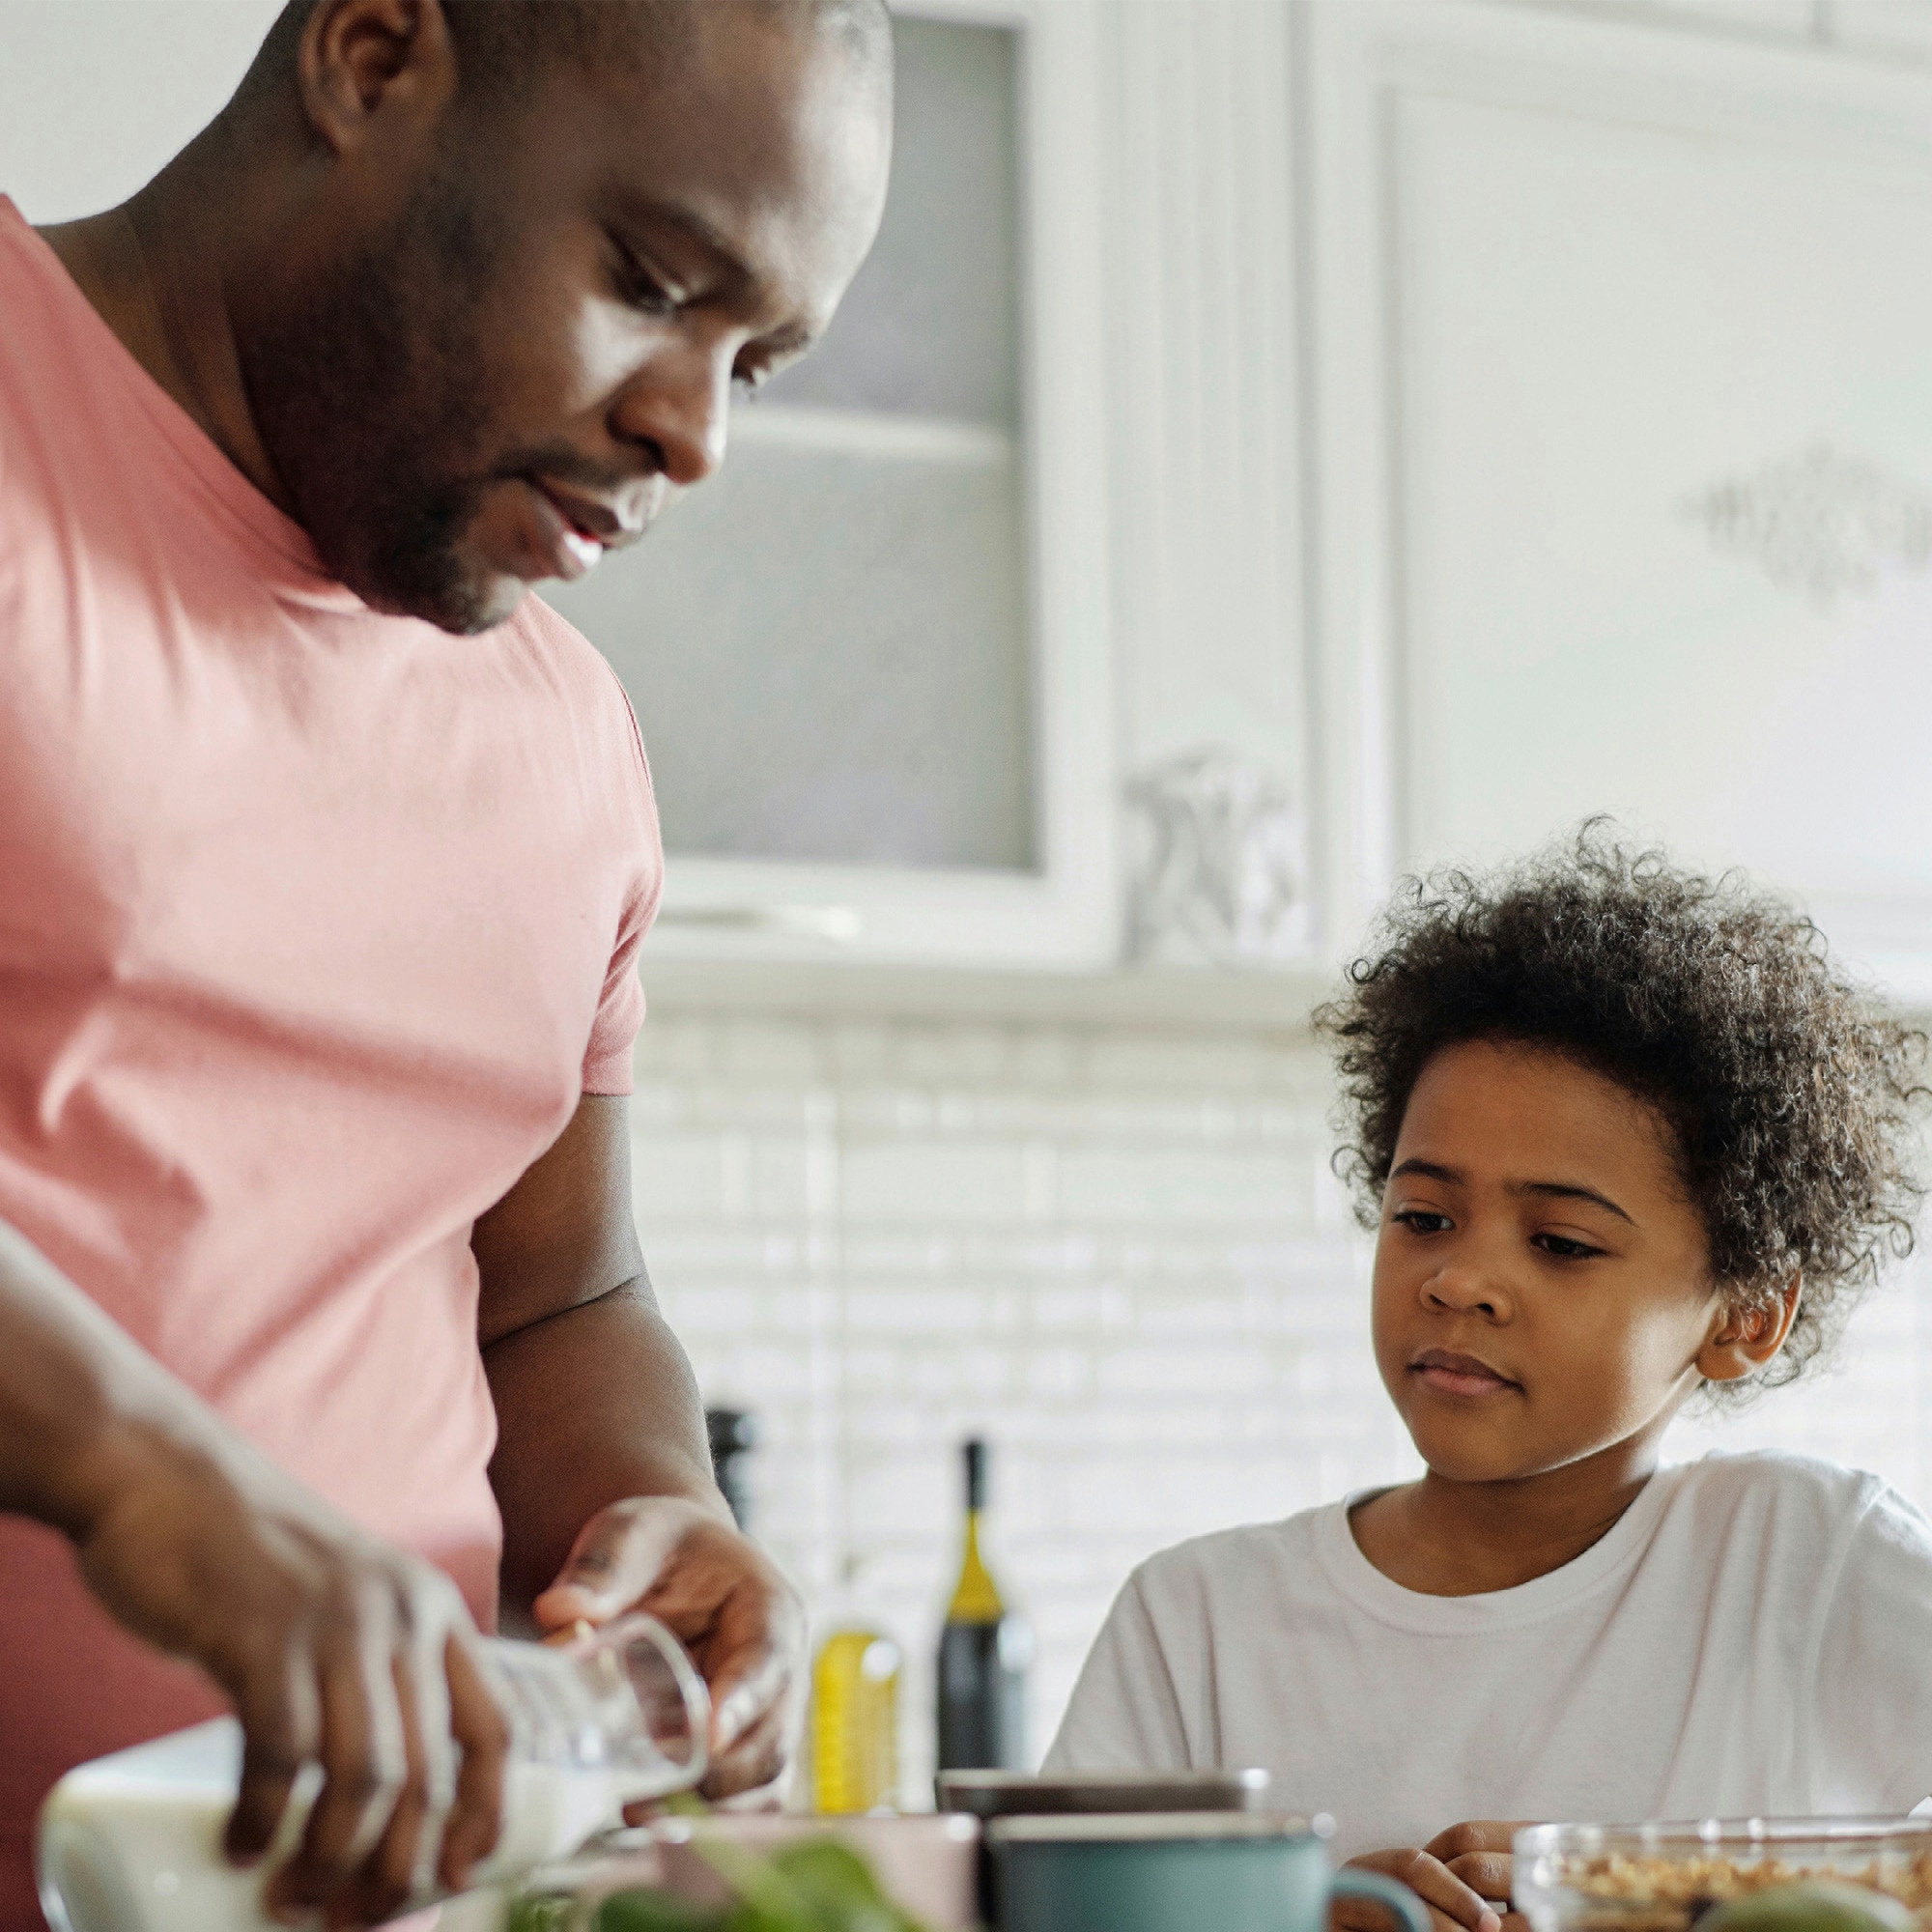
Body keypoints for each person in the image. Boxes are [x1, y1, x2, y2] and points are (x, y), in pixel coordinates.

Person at [0, 0, 891, 1924]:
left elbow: (561, 1299)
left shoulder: (566, 740)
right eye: (654, 280)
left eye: (763, 359)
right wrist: (157, 1480)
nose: (697, 429)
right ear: (374, 56)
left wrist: (665, 1510)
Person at [1044, 832, 1932, 1932]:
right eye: (1421, 1217)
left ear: (1741, 1315)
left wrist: (1650, 1889)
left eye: (1558, 1241)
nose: (1459, 1278)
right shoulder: (1195, 1622)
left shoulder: (1804, 1559)